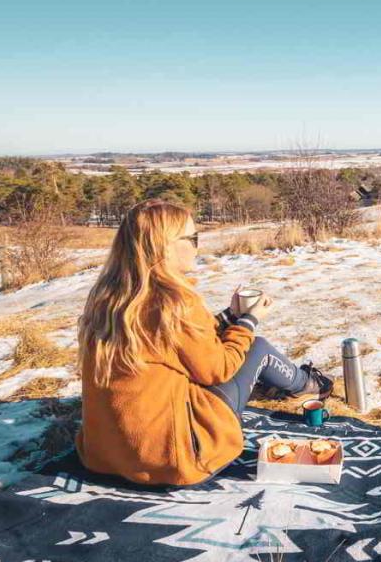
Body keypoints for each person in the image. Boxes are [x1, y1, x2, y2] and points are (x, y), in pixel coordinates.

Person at [76, 199, 332, 486]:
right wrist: (248, 321)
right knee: (257, 347)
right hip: (175, 459)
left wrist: (229, 317)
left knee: (241, 343)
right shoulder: (173, 301)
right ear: (165, 245)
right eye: (193, 238)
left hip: (106, 457)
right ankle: (311, 387)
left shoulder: (109, 297)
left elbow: (177, 340)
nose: (198, 246)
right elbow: (217, 370)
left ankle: (292, 385)